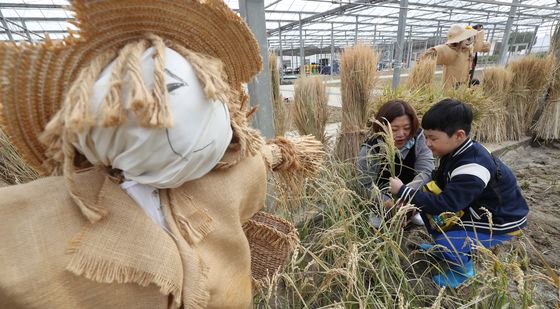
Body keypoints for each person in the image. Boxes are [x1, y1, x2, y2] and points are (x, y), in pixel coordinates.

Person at [0, 1, 322, 308]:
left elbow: (261, 159)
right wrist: (280, 152)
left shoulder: (225, 178)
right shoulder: (75, 211)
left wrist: (283, 152)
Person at [389, 99, 529, 288]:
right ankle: (448, 249)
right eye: (426, 138)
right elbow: (437, 180)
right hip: (477, 207)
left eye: (433, 138)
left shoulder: (473, 166)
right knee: (427, 206)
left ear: (459, 135)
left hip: (501, 221)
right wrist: (411, 201)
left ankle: (463, 270)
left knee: (444, 230)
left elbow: (445, 205)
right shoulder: (457, 150)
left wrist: (404, 191)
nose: (428, 143)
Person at [358, 100, 435, 227]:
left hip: (411, 195)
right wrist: (388, 203)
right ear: (382, 127)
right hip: (382, 198)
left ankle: (413, 212)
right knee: (377, 225)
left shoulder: (419, 137)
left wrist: (406, 195)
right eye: (394, 129)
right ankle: (380, 213)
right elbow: (365, 184)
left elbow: (426, 171)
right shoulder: (370, 147)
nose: (401, 134)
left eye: (407, 128)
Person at [422, 24, 490, 88]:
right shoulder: (451, 51)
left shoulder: (468, 49)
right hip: (451, 87)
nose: (469, 41)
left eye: (469, 38)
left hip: (463, 85)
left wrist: (481, 38)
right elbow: (438, 51)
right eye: (467, 38)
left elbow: (481, 46)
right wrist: (428, 55)